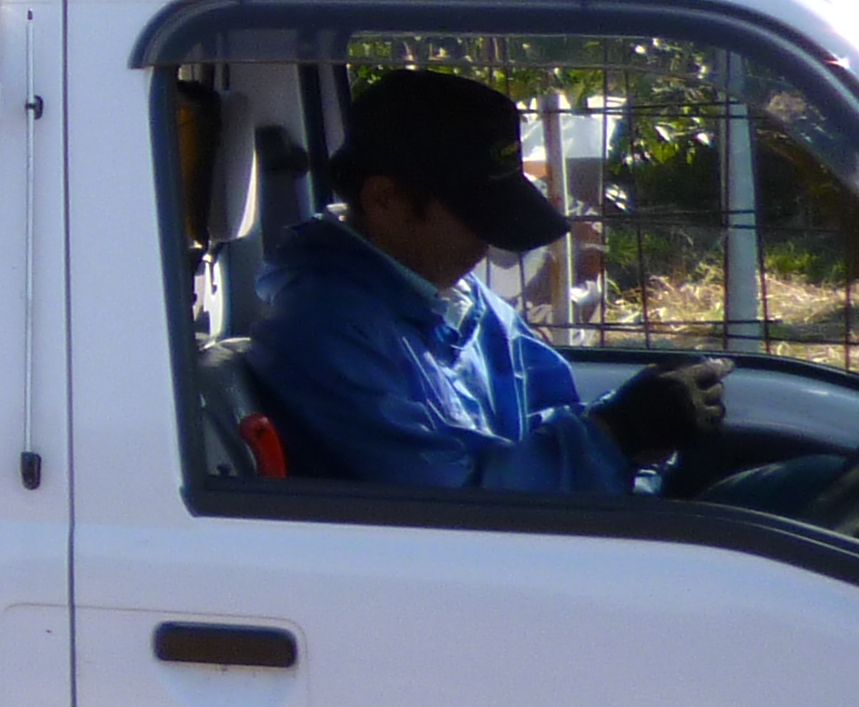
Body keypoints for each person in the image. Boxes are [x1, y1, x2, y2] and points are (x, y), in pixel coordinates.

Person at [249, 68, 725, 494]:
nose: (487, 247)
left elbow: (552, 416)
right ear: (385, 199)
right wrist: (615, 435)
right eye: (475, 218)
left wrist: (638, 437)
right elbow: (454, 509)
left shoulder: (460, 300)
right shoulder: (324, 333)